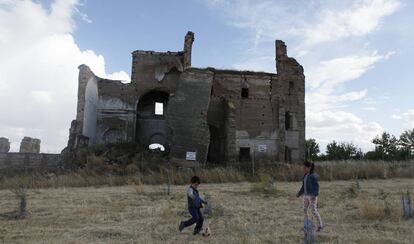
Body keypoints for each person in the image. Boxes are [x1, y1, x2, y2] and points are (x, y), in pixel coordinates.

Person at [296, 161, 324, 232]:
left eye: (305, 168)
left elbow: (316, 186)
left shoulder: (313, 176)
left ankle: (320, 226)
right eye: (303, 168)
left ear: (309, 167)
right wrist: (299, 193)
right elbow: (303, 186)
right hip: (305, 196)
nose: (303, 169)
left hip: (312, 196)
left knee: (314, 211)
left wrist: (314, 194)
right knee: (304, 210)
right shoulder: (305, 175)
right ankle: (307, 226)